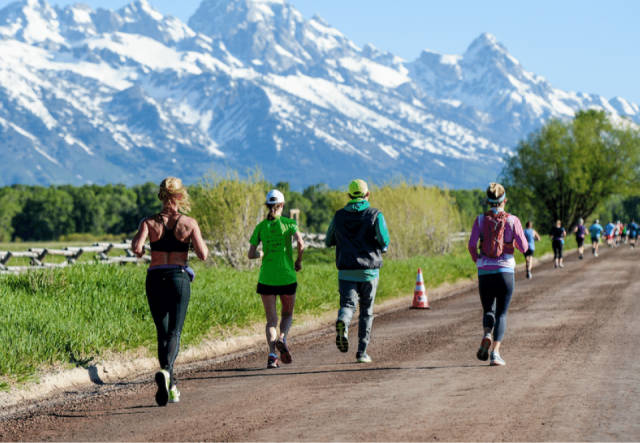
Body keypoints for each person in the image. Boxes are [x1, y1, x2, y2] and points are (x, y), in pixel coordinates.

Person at [132, 177, 209, 406]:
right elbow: (203, 254)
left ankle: (171, 384)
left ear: (161, 196)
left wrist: (143, 249)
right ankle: (167, 372)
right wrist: (188, 245)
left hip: (155, 277)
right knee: (175, 332)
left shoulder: (148, 222)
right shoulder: (189, 223)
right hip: (178, 277)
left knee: (161, 332)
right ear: (180, 196)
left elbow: (136, 248)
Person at [325, 179, 390, 364]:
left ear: (349, 195)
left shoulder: (338, 216)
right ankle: (362, 352)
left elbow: (328, 240)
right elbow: (384, 240)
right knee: (366, 311)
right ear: (367, 194)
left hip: (346, 271)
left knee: (348, 305)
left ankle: (343, 324)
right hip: (369, 272)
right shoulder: (375, 214)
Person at [468, 183, 528, 367]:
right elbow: (524, 247)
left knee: (488, 310)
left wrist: (477, 259)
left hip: (485, 271)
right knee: (501, 314)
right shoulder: (512, 220)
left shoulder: (479, 220)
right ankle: (495, 353)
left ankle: (487, 333)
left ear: (488, 201)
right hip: (505, 272)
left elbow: (471, 245)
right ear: (504, 200)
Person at [248, 189, 304, 369]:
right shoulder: (289, 223)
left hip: (266, 279)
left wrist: (262, 253)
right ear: (282, 205)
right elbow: (301, 244)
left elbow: (250, 254)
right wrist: (298, 261)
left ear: (268, 206)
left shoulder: (260, 227)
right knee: (287, 314)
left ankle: (272, 356)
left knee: (271, 321)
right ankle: (282, 338)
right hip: (287, 277)